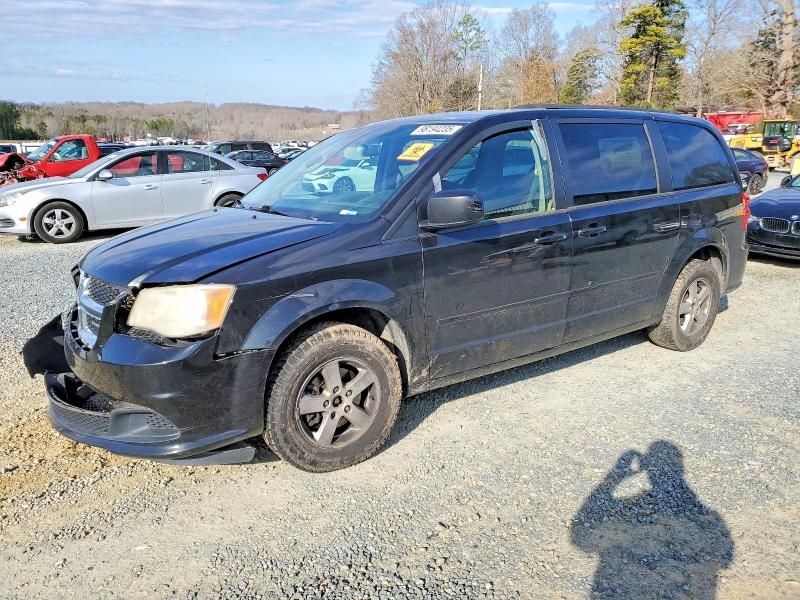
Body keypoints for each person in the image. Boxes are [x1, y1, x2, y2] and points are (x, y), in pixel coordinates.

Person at [571, 441, 734, 599]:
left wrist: (615, 477)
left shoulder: (628, 512)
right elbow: (725, 559)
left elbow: (580, 537)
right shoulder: (711, 519)